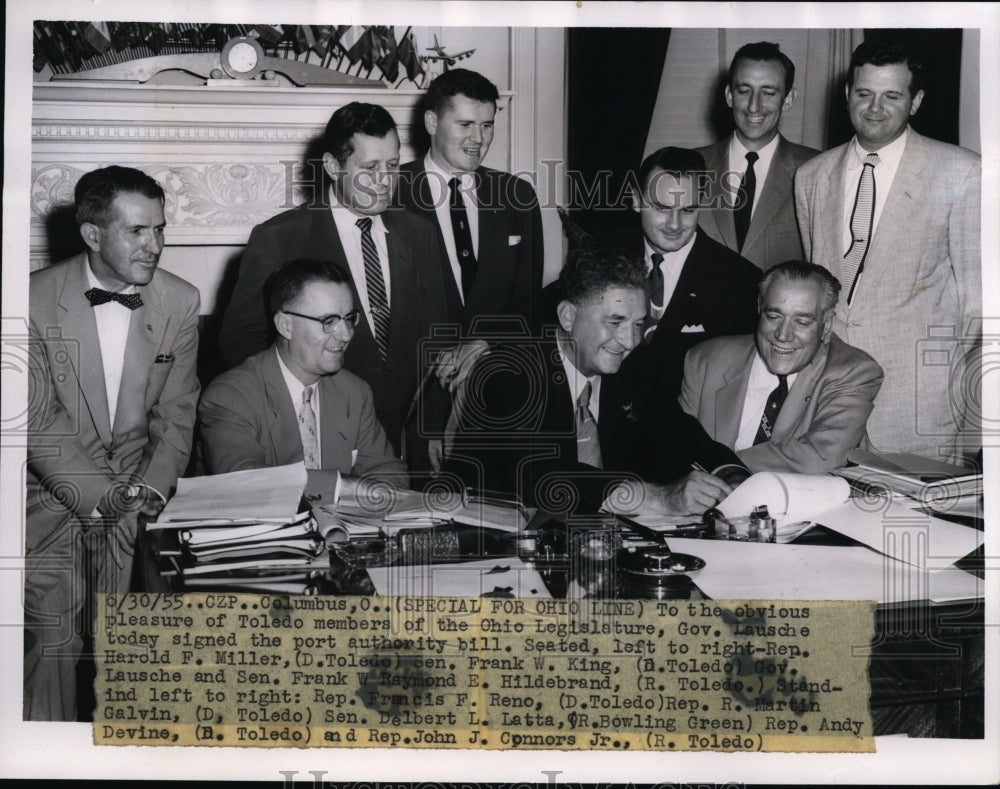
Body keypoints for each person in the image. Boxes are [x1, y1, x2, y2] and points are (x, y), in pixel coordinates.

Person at [26, 165, 200, 720]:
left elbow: (176, 414)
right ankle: (41, 759)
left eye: (160, 229)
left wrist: (145, 490)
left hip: (139, 492)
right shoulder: (29, 298)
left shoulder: (180, 300)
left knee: (144, 634)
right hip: (50, 495)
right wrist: (100, 498)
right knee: (51, 630)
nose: (155, 246)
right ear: (93, 235)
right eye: (138, 231)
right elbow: (35, 420)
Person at [217, 102, 450, 467]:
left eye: (392, 166)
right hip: (321, 443)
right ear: (332, 166)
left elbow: (440, 337)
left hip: (413, 444)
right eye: (369, 168)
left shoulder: (419, 234)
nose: (384, 181)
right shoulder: (279, 238)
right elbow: (240, 342)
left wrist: (436, 425)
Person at [446, 243, 744, 517]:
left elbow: (676, 431)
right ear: (567, 317)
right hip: (496, 547)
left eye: (638, 324)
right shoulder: (508, 373)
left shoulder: (636, 367)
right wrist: (658, 499)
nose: (629, 341)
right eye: (614, 322)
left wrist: (730, 474)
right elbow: (539, 475)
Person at [794, 39, 981, 460]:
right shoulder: (811, 176)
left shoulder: (962, 172)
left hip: (918, 405)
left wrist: (947, 391)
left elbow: (977, 305)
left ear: (915, 102)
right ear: (847, 96)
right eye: (864, 93)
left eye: (892, 96)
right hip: (829, 398)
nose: (874, 108)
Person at [200, 259, 407, 501]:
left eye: (349, 318)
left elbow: (391, 476)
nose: (346, 334)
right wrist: (345, 487)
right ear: (285, 325)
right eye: (328, 322)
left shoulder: (354, 392)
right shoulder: (230, 396)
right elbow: (245, 483)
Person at [680, 260, 884, 473]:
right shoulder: (706, 360)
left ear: (828, 324)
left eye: (802, 322)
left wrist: (722, 469)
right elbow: (679, 450)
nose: (783, 335)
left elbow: (819, 457)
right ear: (759, 308)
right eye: (774, 316)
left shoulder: (854, 372)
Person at [397, 68, 544, 334]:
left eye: (487, 126)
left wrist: (487, 345)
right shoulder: (391, 190)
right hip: (416, 367)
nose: (478, 138)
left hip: (496, 366)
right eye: (465, 125)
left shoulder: (518, 195)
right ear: (431, 123)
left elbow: (529, 301)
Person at [621, 146, 762, 400]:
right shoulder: (604, 260)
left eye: (687, 210)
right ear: (636, 200)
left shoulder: (741, 281)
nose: (674, 225)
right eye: (662, 208)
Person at [695, 42, 819, 271]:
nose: (754, 106)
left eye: (768, 93)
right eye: (744, 90)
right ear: (729, 96)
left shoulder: (817, 170)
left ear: (789, 99)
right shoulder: (692, 167)